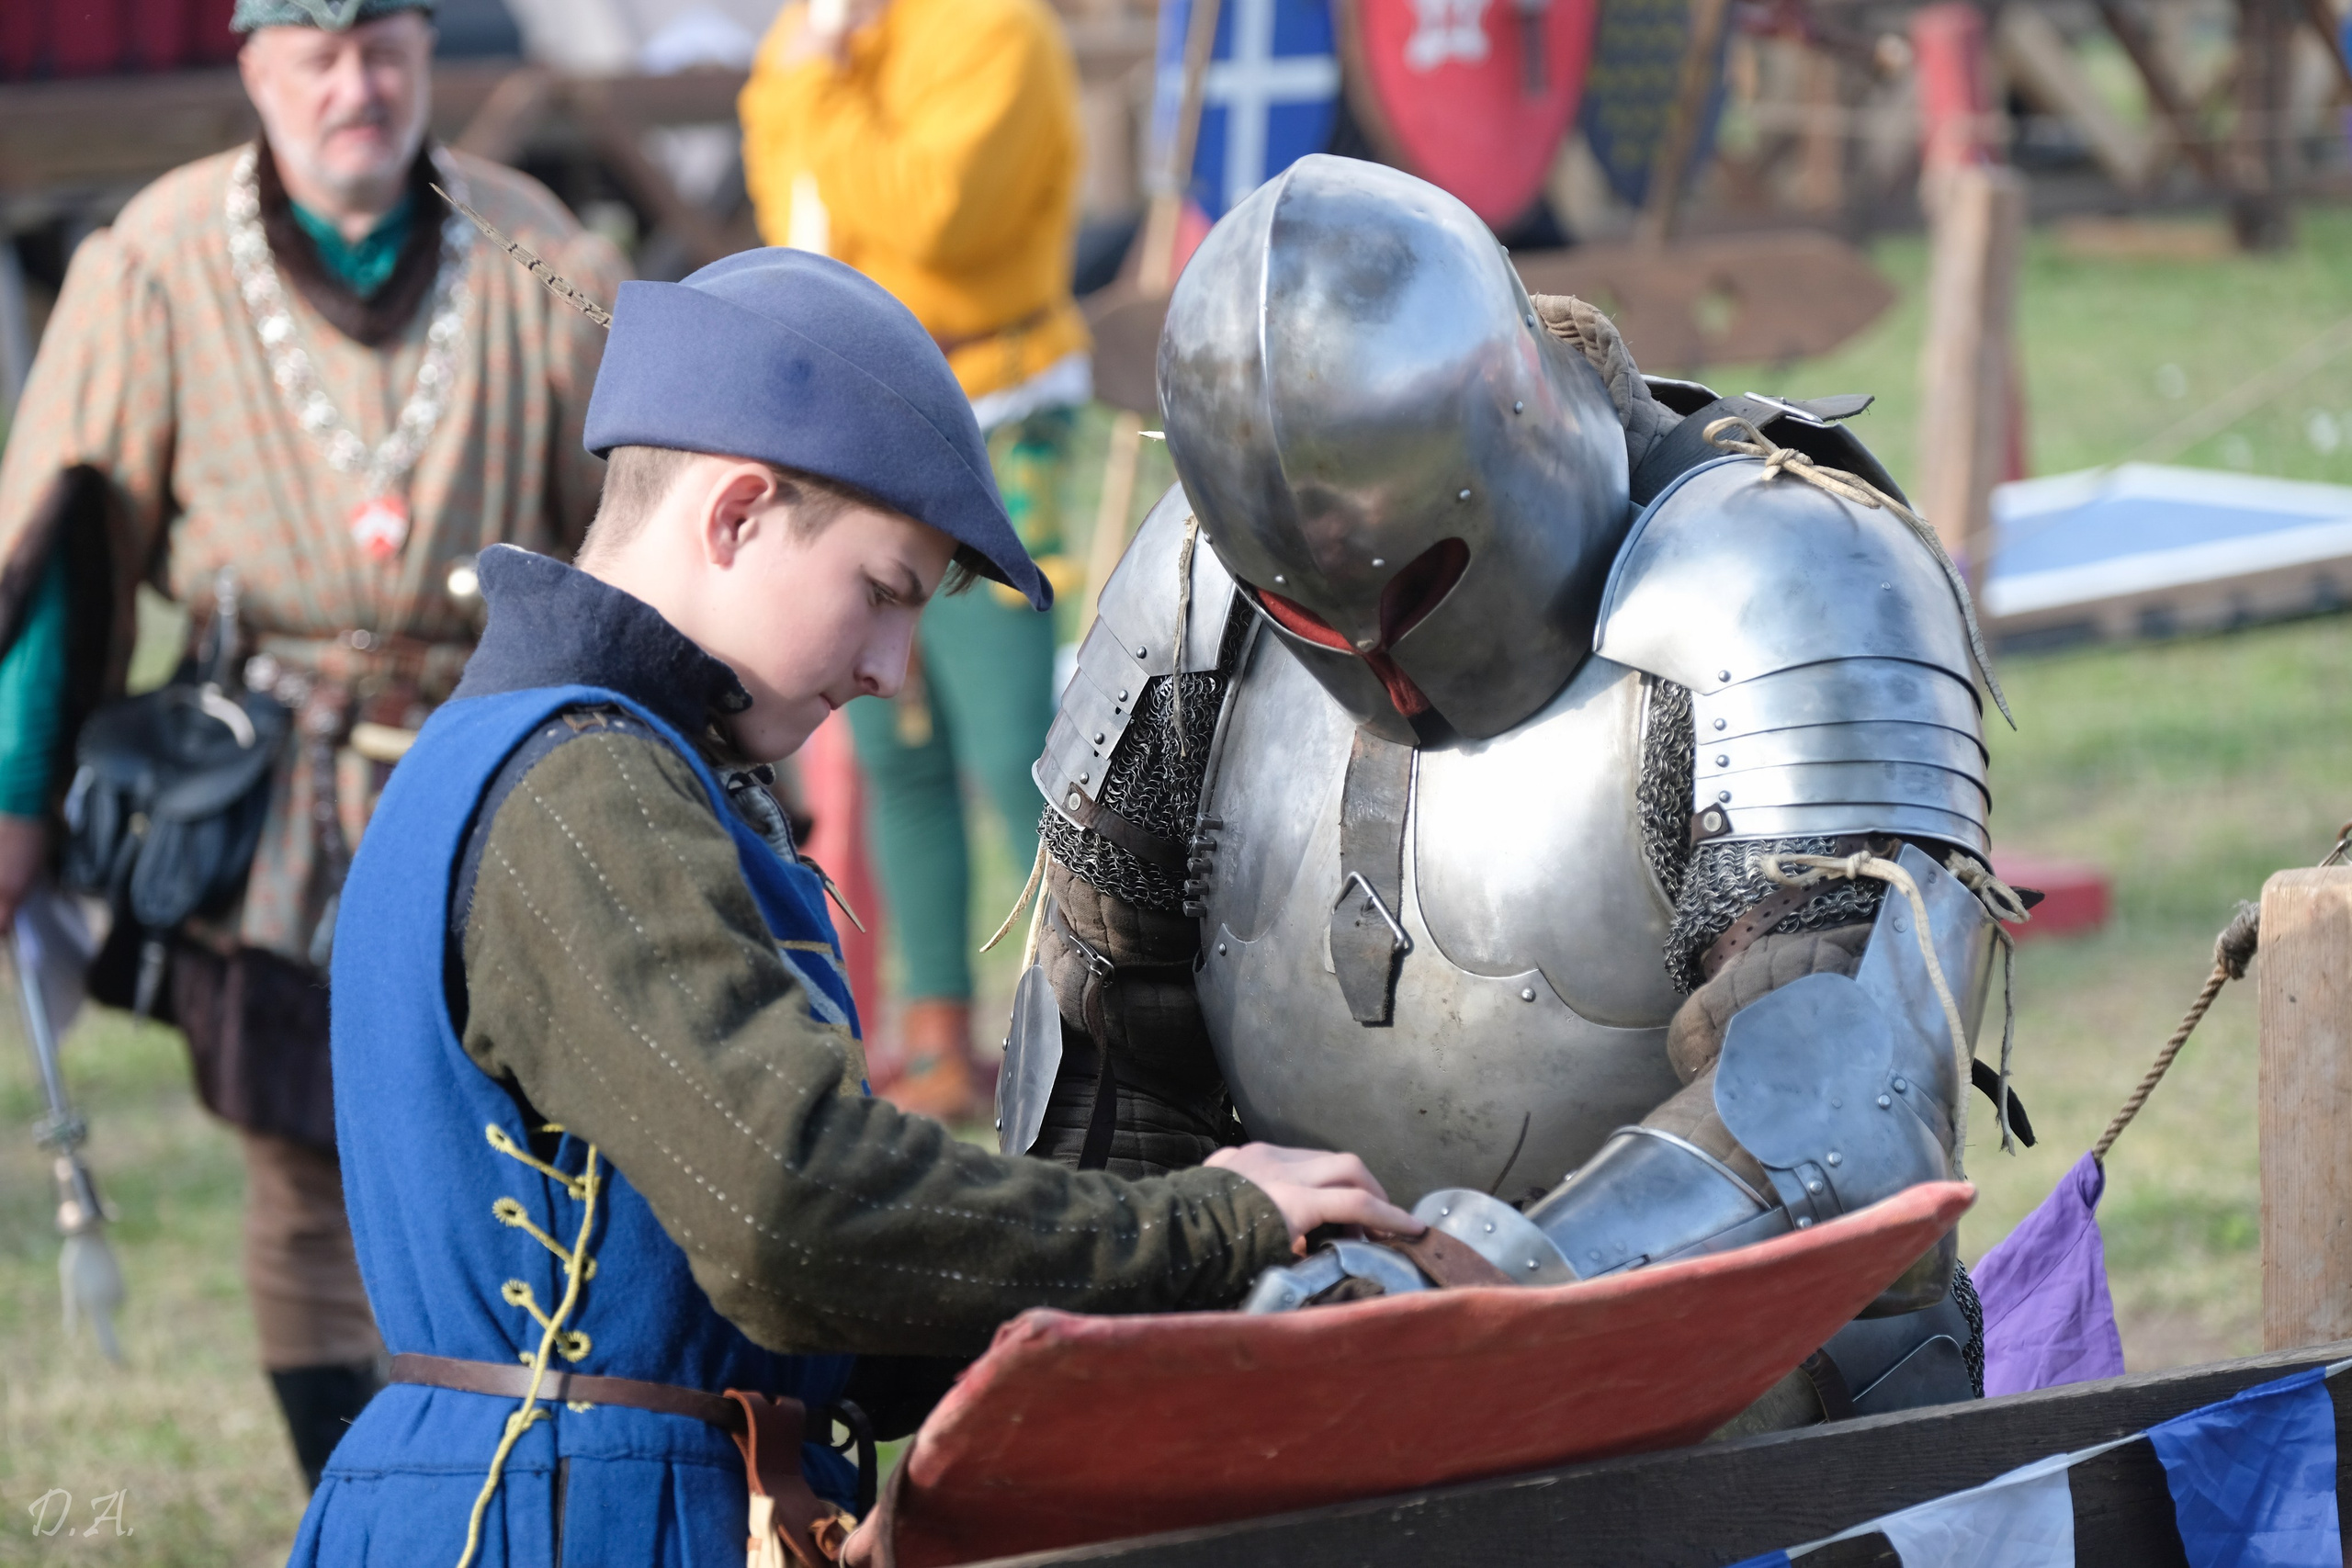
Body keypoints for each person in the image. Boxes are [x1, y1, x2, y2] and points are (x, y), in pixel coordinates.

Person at [292, 242, 1415, 1568]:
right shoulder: (583, 785)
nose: (892, 666)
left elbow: (755, 1277)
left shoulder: (539, 755)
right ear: (737, 511)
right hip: (562, 1522)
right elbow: (791, 1210)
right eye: (881, 592)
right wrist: (1205, 1228)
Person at [1008, 156, 2021, 1420]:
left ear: (1509, 431)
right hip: (1341, 1408)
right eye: (1301, 604)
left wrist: (1470, 1296)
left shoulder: (1786, 570)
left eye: (1407, 582)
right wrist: (1128, 1372)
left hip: (1757, 1409)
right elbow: (1102, 1074)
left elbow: (1835, 1118)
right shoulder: (1191, 591)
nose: (1367, 652)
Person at [0, 0, 620, 1486]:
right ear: (255, 63)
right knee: (300, 1168)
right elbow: (66, 551)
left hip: (495, 770)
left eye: (387, 46)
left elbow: (635, 540)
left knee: (523, 1151)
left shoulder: (537, 245)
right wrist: (17, 798)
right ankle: (359, 1494)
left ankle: (504, 1470)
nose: (359, 84)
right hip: (266, 780)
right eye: (320, 54)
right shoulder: (149, 263)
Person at [738, 0, 1090, 1119]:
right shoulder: (824, 25)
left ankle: (1098, 1030)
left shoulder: (996, 30)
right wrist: (816, 76)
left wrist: (821, 85)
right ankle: (935, 1040)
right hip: (858, 423)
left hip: (994, 417)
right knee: (896, 752)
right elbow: (784, 202)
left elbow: (930, 214)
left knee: (1011, 753)